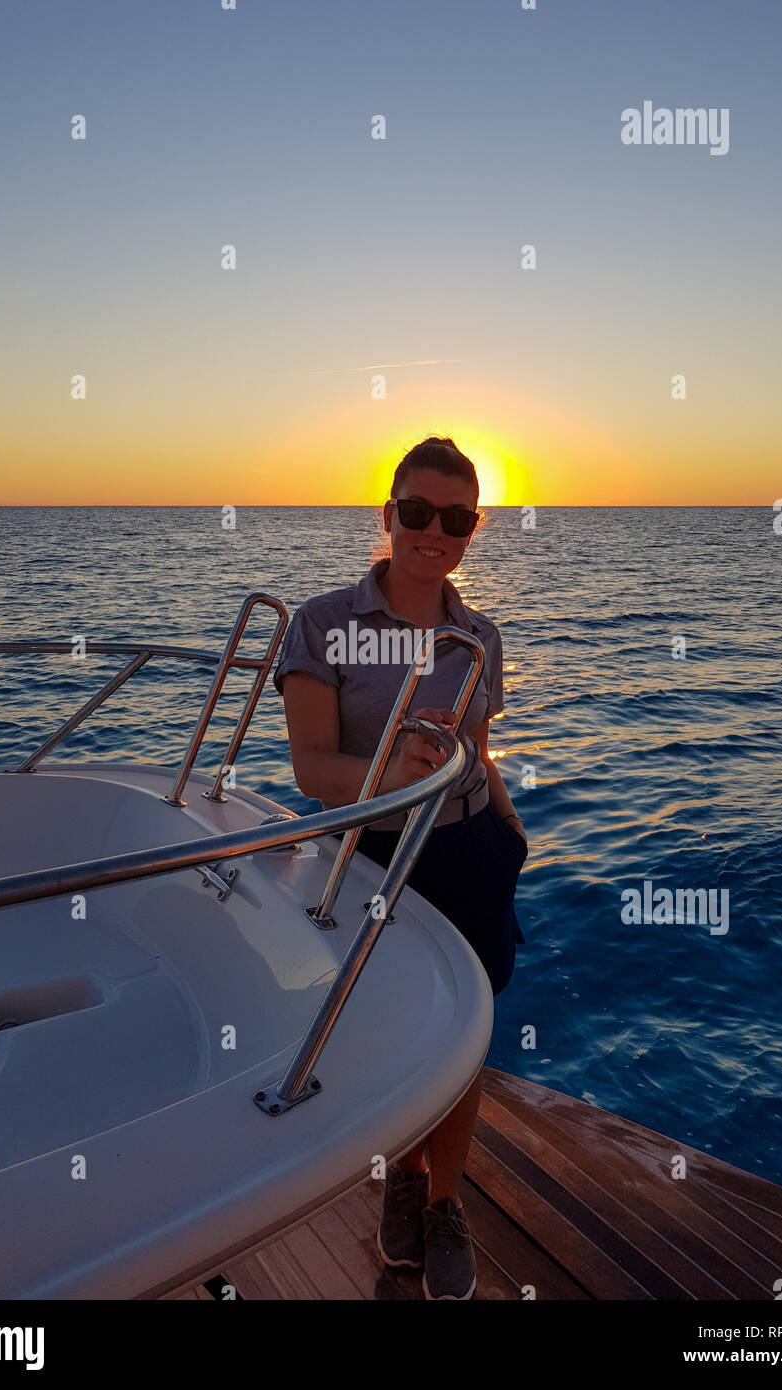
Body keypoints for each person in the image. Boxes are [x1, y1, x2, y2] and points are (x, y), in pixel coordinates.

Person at [273, 435, 528, 1300]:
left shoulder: (477, 635)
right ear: (387, 515)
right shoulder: (322, 625)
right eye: (417, 512)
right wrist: (389, 774)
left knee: (466, 1034)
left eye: (456, 519)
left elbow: (480, 752)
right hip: (370, 852)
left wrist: (505, 820)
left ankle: (445, 1200)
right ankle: (401, 1179)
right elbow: (312, 769)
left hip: (468, 851)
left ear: (471, 529)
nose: (434, 532)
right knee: (388, 1031)